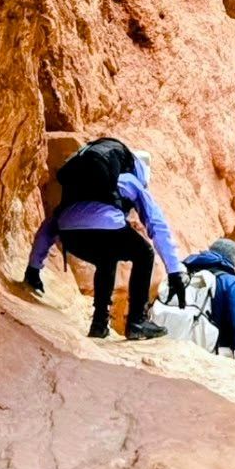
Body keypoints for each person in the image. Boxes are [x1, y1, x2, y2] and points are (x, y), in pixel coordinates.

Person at [26, 137, 185, 342]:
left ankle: (99, 325)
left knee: (106, 259)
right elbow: (156, 225)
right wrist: (174, 272)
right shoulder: (130, 181)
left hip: (71, 236)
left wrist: (33, 268)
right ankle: (137, 322)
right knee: (143, 253)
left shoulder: (82, 185)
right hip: (106, 230)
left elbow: (50, 225)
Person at [181, 236, 235, 368]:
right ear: (233, 259)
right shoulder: (231, 282)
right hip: (214, 353)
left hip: (180, 343)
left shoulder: (186, 271)